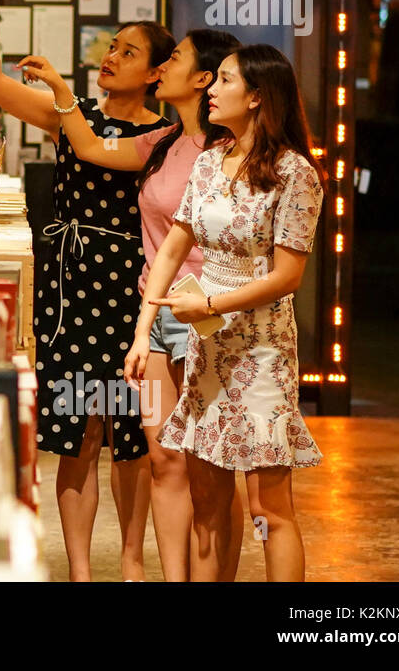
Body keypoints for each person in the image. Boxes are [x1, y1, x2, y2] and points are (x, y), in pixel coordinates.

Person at [18, 29, 246, 581]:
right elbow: (93, 148)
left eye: (171, 58)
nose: (161, 66)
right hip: (153, 313)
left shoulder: (232, 151)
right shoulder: (163, 141)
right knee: (161, 455)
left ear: (201, 79)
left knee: (211, 467)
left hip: (209, 317)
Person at [0, 0, 173, 581]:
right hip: (71, 287)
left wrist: (60, 91)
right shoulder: (74, 114)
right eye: (111, 47)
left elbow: (92, 153)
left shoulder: (163, 137)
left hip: (134, 290)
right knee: (78, 429)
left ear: (159, 73)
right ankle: (82, 571)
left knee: (134, 431)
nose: (110, 57)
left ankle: (133, 562)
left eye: (128, 52)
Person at [130, 44, 325, 582]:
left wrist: (209, 304)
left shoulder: (296, 174)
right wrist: (144, 329)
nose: (211, 89)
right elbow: (175, 245)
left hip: (261, 348)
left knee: (268, 509)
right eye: (212, 79)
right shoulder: (210, 161)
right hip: (204, 342)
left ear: (258, 95)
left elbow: (287, 277)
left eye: (225, 81)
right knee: (206, 502)